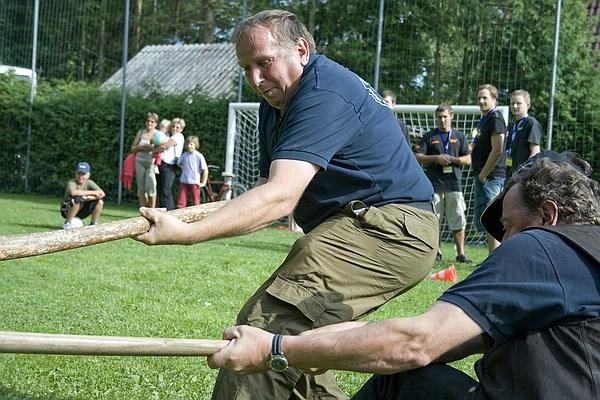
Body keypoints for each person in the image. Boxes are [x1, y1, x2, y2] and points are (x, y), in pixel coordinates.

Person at [136, 9, 438, 400]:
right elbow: (267, 187)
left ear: (301, 50)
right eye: (246, 68)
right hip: (361, 226)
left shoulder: (323, 92)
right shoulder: (276, 104)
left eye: (264, 63)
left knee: (266, 330)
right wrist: (182, 218)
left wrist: (187, 234)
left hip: (390, 230)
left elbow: (280, 197)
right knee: (297, 348)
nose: (255, 79)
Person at [207, 151, 600, 400]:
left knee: (400, 384)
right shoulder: (585, 257)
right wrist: (305, 341)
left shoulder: (544, 248)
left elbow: (417, 344)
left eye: (510, 226)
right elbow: (440, 341)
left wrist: (276, 349)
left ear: (548, 215)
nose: (506, 240)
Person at [415, 104, 472, 264]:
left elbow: (468, 159)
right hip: (433, 185)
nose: (442, 120)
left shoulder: (459, 136)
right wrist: (436, 158)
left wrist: (452, 159)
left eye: (445, 116)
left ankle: (461, 254)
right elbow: (418, 155)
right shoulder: (429, 136)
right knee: (434, 220)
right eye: (439, 117)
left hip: (454, 185)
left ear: (451, 116)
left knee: (458, 219)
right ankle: (436, 253)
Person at [471, 84, 506, 254]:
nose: (481, 101)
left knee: (492, 218)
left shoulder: (496, 119)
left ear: (494, 99)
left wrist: (483, 174)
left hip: (491, 177)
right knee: (486, 218)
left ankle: (495, 257)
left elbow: (498, 149)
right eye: (479, 98)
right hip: (483, 175)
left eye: (485, 97)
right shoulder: (484, 119)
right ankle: (492, 256)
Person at [506, 89, 542, 176]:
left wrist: (526, 172)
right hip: (510, 173)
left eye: (518, 103)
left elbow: (535, 152)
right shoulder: (512, 125)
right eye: (512, 103)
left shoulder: (531, 123)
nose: (515, 106)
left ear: (528, 105)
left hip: (522, 175)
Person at [60, 161, 105, 229]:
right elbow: (73, 192)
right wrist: (92, 193)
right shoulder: (72, 182)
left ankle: (93, 224)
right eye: (79, 174)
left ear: (88, 175)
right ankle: (68, 223)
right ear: (75, 174)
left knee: (100, 202)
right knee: (77, 199)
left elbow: (102, 193)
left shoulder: (89, 182)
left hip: (82, 208)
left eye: (83, 174)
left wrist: (88, 198)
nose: (81, 177)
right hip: (67, 210)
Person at [130, 112, 160, 208]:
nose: (149, 123)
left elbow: (163, 147)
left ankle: (152, 209)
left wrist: (153, 149)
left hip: (151, 162)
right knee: (141, 188)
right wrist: (140, 147)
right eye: (148, 121)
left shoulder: (158, 134)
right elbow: (133, 148)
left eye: (152, 121)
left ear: (156, 123)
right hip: (139, 161)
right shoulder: (141, 133)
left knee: (151, 186)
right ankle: (143, 210)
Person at [156, 117, 185, 210]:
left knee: (166, 189)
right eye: (173, 126)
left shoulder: (178, 136)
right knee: (161, 188)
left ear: (181, 129)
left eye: (177, 127)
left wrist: (153, 152)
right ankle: (162, 209)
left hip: (170, 165)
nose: (174, 129)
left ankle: (169, 210)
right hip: (163, 164)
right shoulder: (169, 136)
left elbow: (164, 146)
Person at [176, 135, 208, 208]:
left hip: (194, 182)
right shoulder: (184, 155)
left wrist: (203, 182)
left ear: (195, 145)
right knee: (181, 202)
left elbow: (205, 169)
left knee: (195, 202)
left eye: (191, 144)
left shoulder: (199, 156)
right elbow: (179, 163)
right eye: (188, 144)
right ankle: (180, 213)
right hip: (184, 181)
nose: (189, 146)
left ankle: (197, 214)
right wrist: (183, 168)